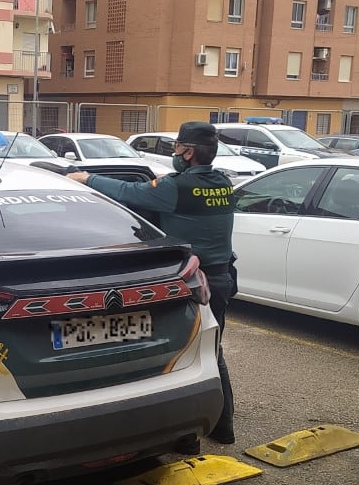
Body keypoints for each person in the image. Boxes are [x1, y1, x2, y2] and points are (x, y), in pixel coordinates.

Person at [66, 120, 236, 445]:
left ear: (187, 152)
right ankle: (213, 430)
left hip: (191, 283)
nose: (174, 153)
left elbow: (127, 192)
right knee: (208, 350)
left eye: (176, 148)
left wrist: (86, 178)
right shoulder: (223, 183)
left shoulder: (176, 188)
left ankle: (204, 432)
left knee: (191, 355)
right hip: (221, 278)